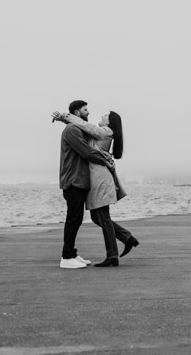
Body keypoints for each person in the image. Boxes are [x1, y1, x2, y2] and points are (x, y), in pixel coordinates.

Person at [53, 105, 139, 267]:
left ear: (110, 121)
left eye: (105, 115)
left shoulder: (106, 131)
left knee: (103, 217)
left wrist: (65, 116)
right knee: (96, 217)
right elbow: (81, 130)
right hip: (96, 177)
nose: (101, 116)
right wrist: (66, 121)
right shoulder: (99, 132)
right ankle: (127, 238)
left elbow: (85, 126)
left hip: (100, 178)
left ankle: (112, 255)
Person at [57, 99, 117, 269]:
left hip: (80, 180)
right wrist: (105, 160)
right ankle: (66, 257)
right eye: (85, 110)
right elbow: (87, 152)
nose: (89, 112)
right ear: (77, 113)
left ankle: (72, 254)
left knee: (76, 219)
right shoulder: (72, 130)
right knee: (73, 219)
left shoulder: (78, 129)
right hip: (73, 180)